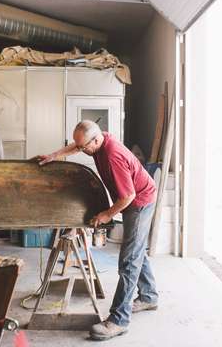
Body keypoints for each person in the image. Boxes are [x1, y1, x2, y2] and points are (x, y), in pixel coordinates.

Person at [38, 120, 158, 341]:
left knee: (129, 260)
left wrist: (106, 214)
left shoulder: (112, 156)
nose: (82, 151)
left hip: (139, 201)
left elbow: (128, 196)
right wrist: (55, 155)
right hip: (132, 199)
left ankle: (119, 320)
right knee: (136, 248)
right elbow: (76, 145)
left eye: (85, 147)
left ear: (96, 139)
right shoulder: (96, 139)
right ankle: (149, 295)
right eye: (80, 146)